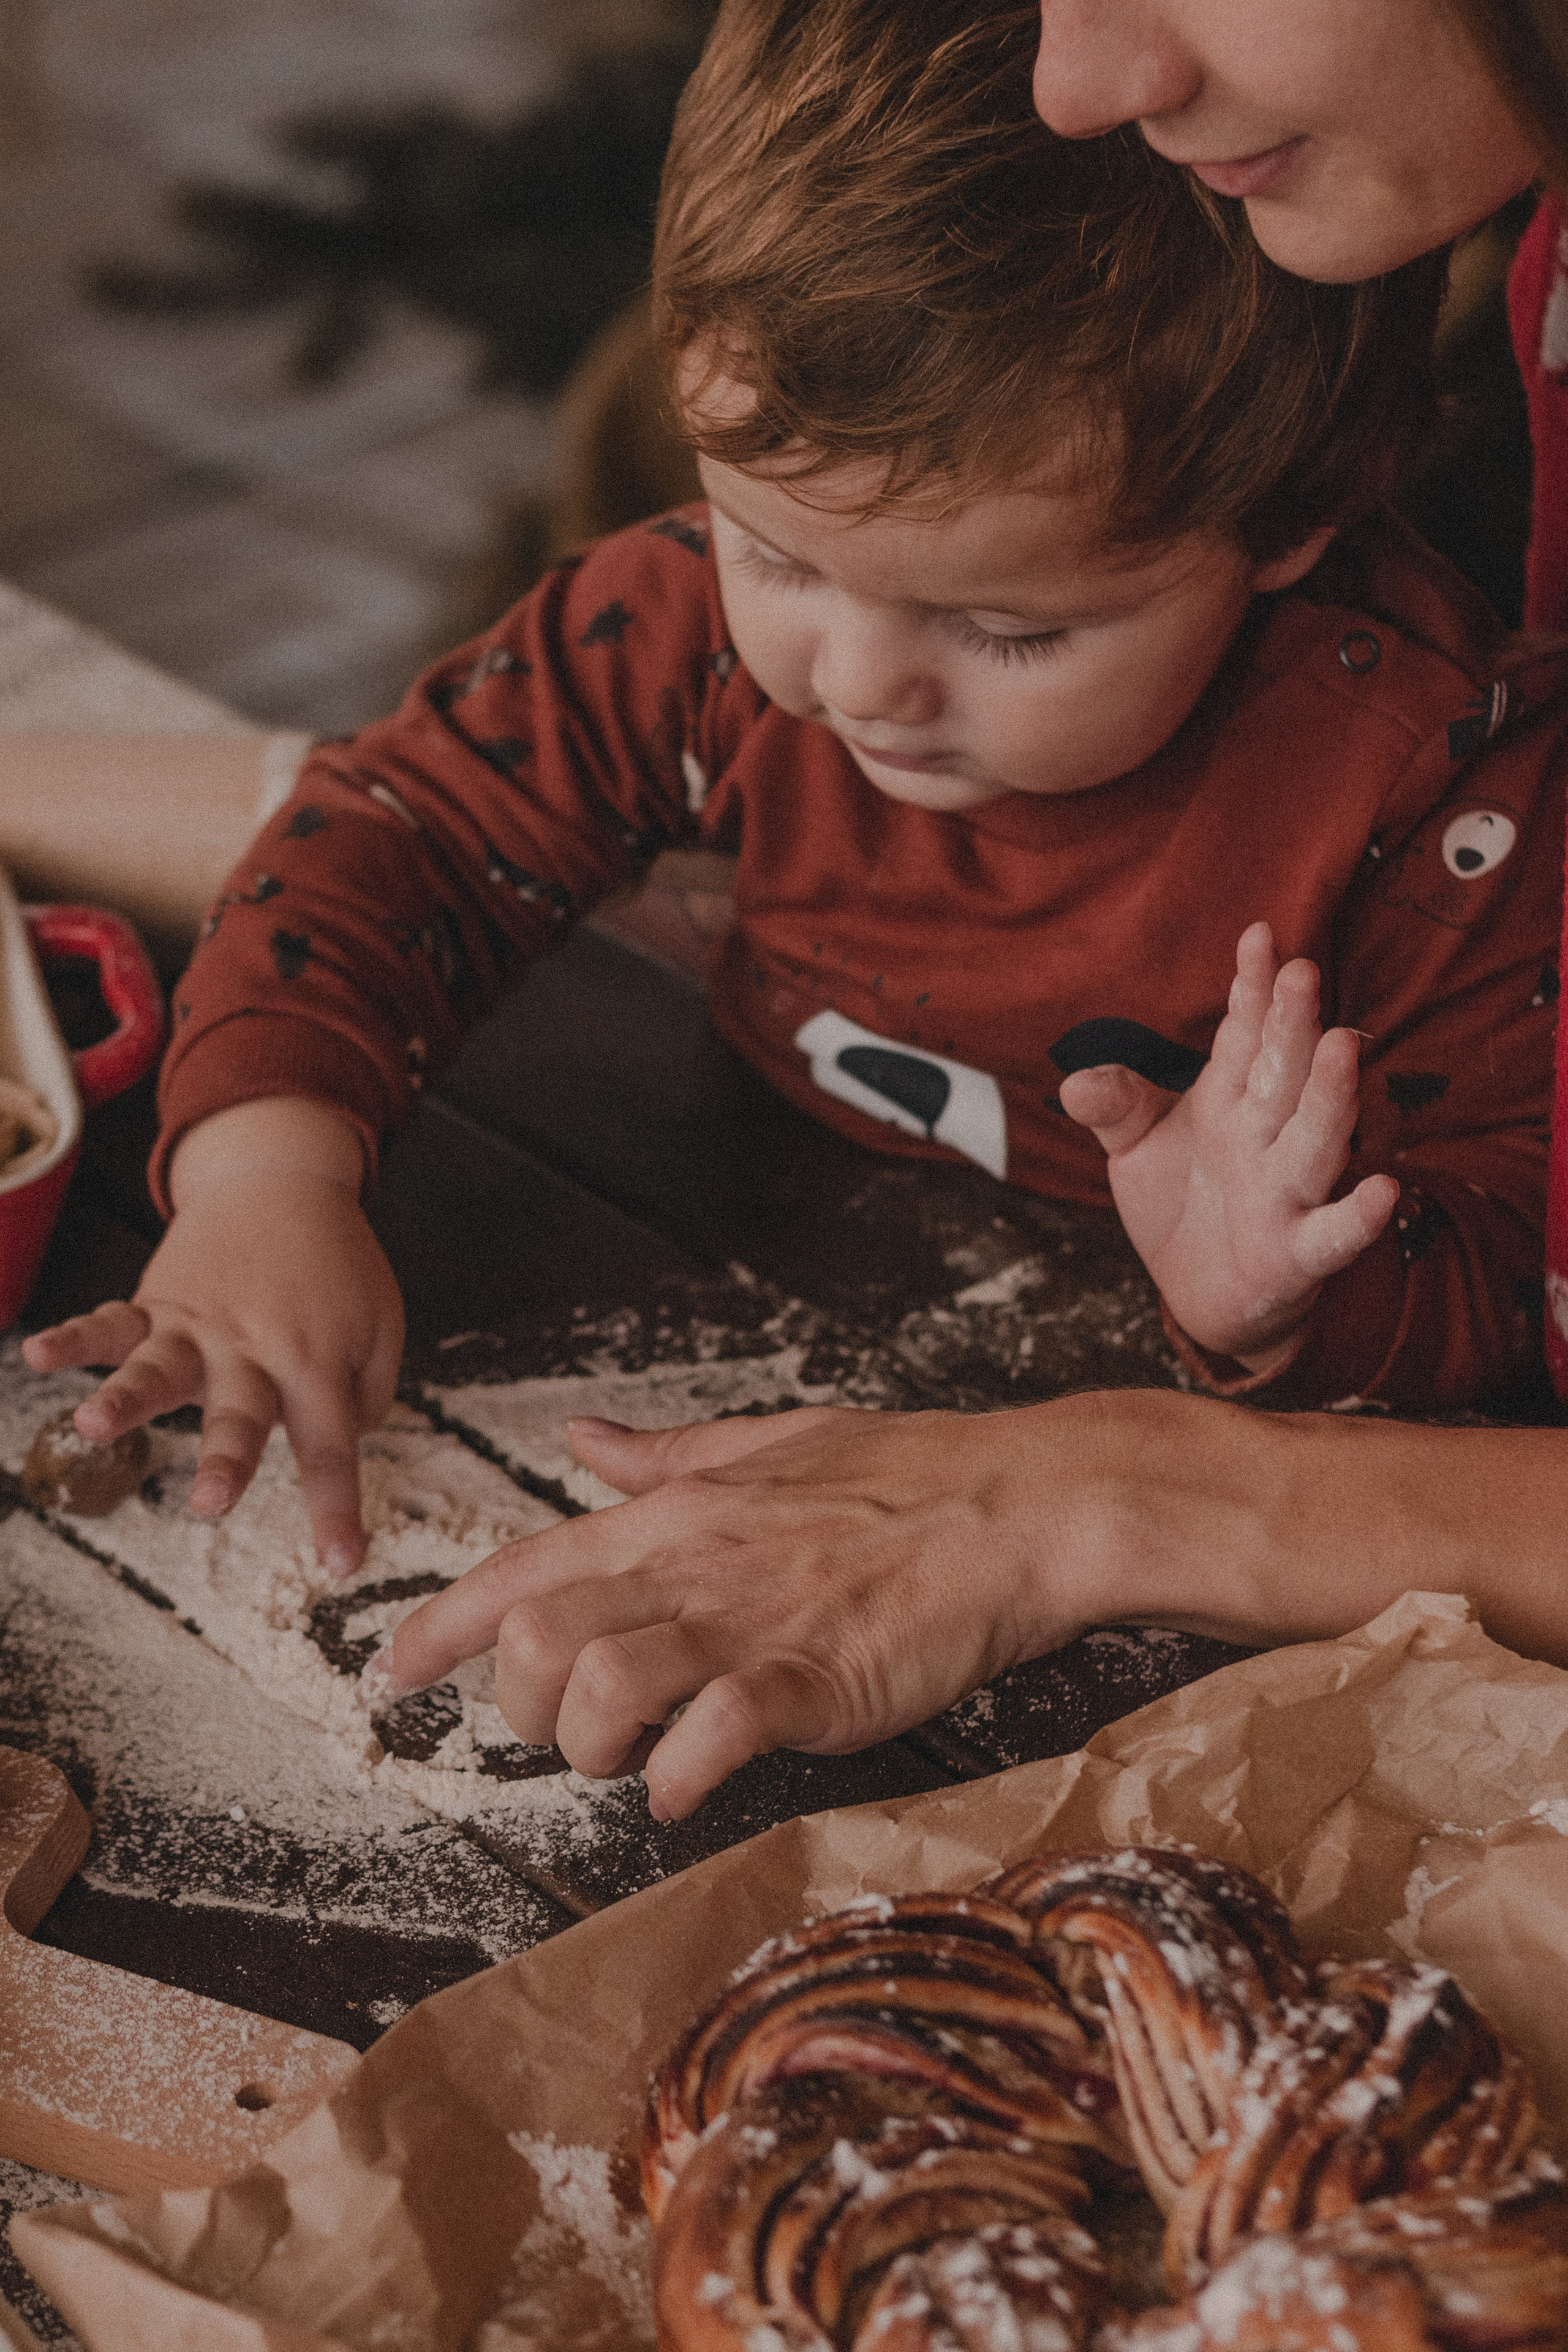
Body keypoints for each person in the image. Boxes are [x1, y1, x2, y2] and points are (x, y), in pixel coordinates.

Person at [25, 0, 1568, 1826]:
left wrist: (1288, 1308)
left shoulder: (1441, 808)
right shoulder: (690, 624)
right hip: (727, 1224)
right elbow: (406, 827)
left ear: (1293, 519)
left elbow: (1502, 1273)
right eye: (774, 551)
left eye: (1011, 632)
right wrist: (266, 1175)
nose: (854, 681)